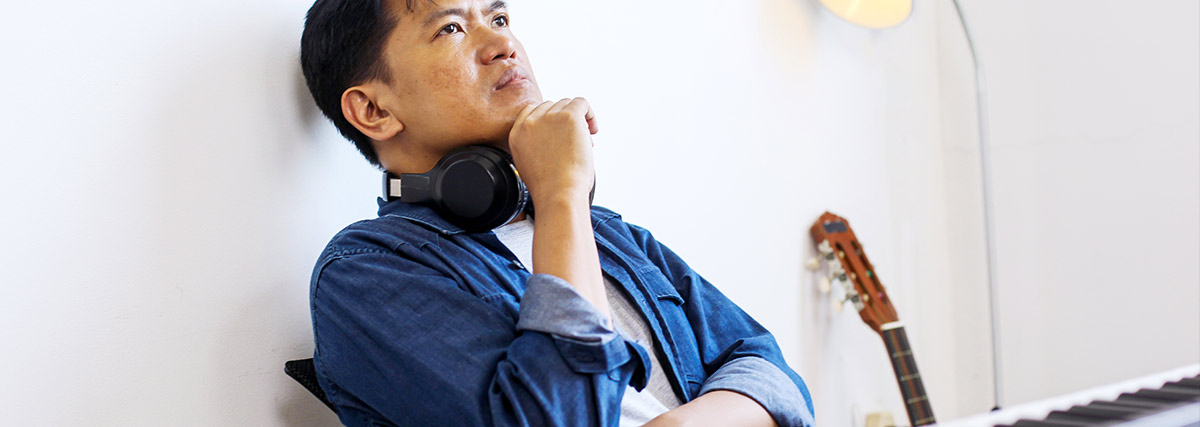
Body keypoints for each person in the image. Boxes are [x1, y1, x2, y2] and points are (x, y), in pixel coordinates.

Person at [299, 0, 815, 425]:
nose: (502, 45)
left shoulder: (609, 234)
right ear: (374, 110)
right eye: (452, 28)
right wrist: (562, 192)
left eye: (499, 19)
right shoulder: (366, 272)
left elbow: (770, 370)